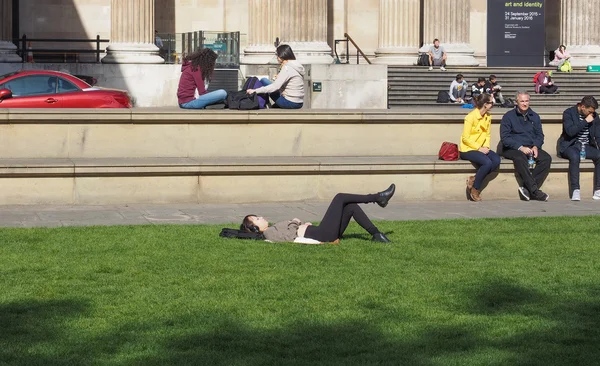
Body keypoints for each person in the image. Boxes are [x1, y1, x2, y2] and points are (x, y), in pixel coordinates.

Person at [239, 184, 396, 243]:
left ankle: (376, 235)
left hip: (319, 232)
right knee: (340, 197)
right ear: (254, 229)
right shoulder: (269, 234)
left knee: (350, 207)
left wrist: (303, 225)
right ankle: (377, 197)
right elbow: (289, 237)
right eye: (257, 219)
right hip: (322, 234)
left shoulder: (272, 230)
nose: (261, 217)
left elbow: (294, 234)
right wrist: (295, 221)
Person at [500, 91, 552, 201]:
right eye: (522, 101)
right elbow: (505, 138)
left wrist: (536, 146)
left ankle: (526, 188)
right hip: (512, 148)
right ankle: (535, 191)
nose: (525, 103)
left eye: (527, 101)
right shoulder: (508, 116)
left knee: (546, 158)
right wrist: (520, 147)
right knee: (520, 157)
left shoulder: (534, 116)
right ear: (516, 102)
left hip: (531, 147)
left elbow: (540, 135)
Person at [459, 93, 501, 201]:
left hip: (481, 147)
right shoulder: (470, 117)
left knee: (496, 160)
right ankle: (475, 189)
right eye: (491, 102)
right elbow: (465, 138)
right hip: (468, 149)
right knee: (487, 162)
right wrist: (479, 148)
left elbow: (487, 134)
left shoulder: (488, 116)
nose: (493, 104)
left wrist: (486, 147)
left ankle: (473, 179)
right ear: (485, 104)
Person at [557, 96, 600, 201]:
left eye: (593, 112)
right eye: (589, 111)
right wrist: (585, 121)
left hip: (586, 146)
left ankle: (598, 189)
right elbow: (570, 131)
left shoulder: (594, 116)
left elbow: (598, 135)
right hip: (570, 146)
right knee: (575, 157)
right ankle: (575, 190)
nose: (591, 114)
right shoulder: (569, 113)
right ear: (582, 107)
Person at [246, 44, 305, 109]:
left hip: (290, 102)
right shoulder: (295, 65)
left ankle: (265, 102)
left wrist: (255, 91)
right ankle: (270, 104)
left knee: (264, 80)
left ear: (282, 55)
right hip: (299, 102)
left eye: (277, 54)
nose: (276, 57)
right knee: (273, 105)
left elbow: (275, 87)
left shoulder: (287, 67)